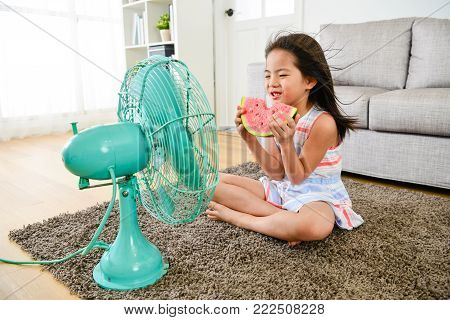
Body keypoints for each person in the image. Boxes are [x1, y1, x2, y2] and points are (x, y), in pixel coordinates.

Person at [206, 32, 364, 246]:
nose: (272, 83)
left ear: (309, 80)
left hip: (316, 195)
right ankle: (281, 218)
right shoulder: (276, 113)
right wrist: (248, 138)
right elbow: (276, 174)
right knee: (209, 183)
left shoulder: (323, 123)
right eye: (267, 75)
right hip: (283, 188)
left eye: (282, 75)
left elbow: (298, 178)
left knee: (315, 225)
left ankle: (241, 218)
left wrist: (286, 143)